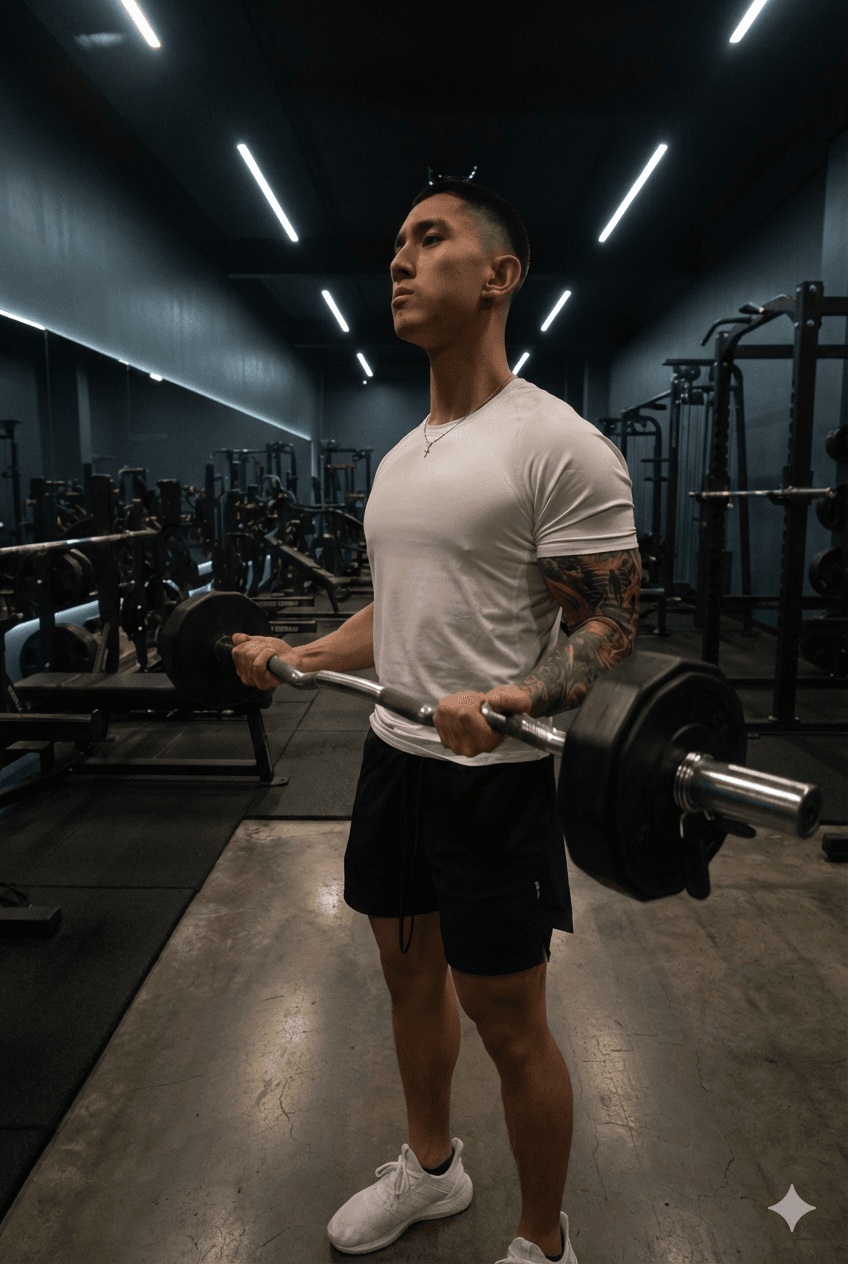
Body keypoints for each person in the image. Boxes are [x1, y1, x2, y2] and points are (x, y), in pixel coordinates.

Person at [232, 179, 641, 1264]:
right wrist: (305, 653)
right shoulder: (400, 457)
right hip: (393, 759)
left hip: (492, 778)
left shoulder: (558, 444)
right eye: (395, 245)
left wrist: (514, 698)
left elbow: (609, 623)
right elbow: (398, 609)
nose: (398, 263)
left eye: (429, 239)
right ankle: (430, 1167)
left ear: (498, 275)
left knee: (509, 1022)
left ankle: (543, 1238)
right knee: (406, 974)